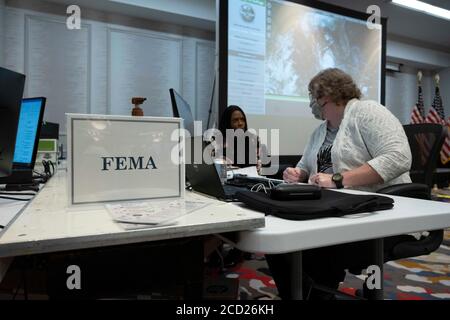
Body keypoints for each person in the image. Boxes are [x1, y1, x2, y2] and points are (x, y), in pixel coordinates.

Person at [267, 68, 412, 299]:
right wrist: (298, 174)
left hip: (372, 215)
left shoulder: (367, 112)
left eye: (317, 99)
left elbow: (399, 157)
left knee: (307, 248)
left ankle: (315, 295)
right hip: (333, 211)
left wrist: (338, 179)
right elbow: (305, 166)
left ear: (333, 95)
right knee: (276, 243)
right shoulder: (319, 132)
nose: (313, 105)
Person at [218, 105, 261, 170]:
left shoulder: (252, 139)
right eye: (235, 120)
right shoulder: (218, 142)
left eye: (242, 119)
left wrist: (260, 162)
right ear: (227, 123)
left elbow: (265, 160)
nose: (240, 123)